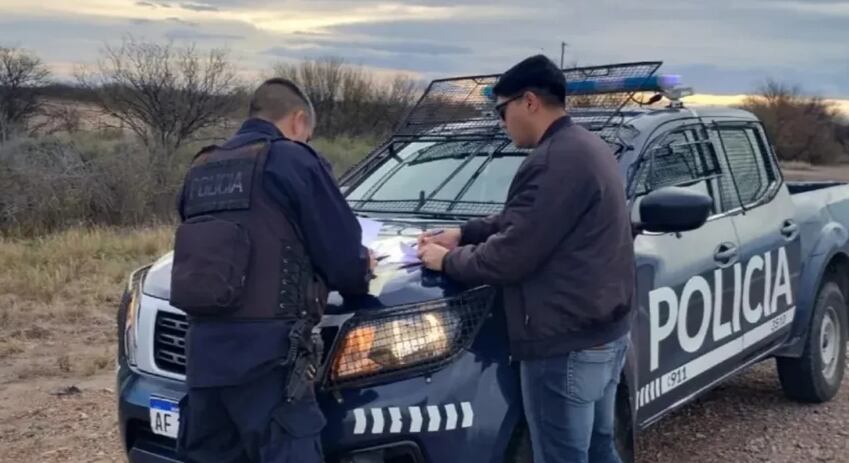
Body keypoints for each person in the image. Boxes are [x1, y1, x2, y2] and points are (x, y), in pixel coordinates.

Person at [417, 55, 635, 463]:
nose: (502, 122)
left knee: (562, 456)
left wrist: (444, 261)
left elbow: (509, 258)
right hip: (603, 333)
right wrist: (464, 232)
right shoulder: (589, 147)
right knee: (599, 447)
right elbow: (527, 219)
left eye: (502, 110)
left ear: (529, 101)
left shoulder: (553, 160)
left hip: (564, 344)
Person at [169, 78, 375, 463]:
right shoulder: (294, 159)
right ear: (298, 121)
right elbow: (342, 256)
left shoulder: (201, 168)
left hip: (202, 360)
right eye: (308, 134)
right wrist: (363, 268)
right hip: (269, 362)